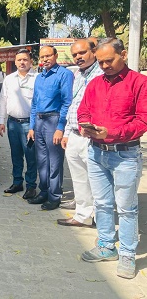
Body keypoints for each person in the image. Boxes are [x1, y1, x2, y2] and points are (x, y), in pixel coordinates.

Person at [77, 38, 147, 279]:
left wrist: (113, 134)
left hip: (125, 154)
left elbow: (143, 120)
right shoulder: (95, 84)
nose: (104, 66)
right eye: (101, 62)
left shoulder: (140, 83)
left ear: (124, 54)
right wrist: (84, 126)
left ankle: (127, 253)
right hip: (96, 153)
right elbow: (83, 110)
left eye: (109, 60)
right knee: (103, 203)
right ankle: (107, 246)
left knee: (127, 208)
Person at [57, 39, 102, 228]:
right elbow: (72, 105)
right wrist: (67, 132)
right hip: (74, 134)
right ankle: (82, 215)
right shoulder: (78, 74)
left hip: (92, 137)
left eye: (82, 53)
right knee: (79, 178)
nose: (78, 57)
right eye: (75, 54)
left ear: (94, 51)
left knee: (97, 180)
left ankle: (101, 219)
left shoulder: (102, 74)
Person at [27, 45, 73, 210]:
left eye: (48, 56)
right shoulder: (40, 77)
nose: (45, 59)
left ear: (56, 55)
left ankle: (54, 196)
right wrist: (32, 126)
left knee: (54, 161)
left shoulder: (64, 75)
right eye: (42, 57)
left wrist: (61, 127)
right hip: (39, 121)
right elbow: (34, 103)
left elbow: (67, 102)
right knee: (42, 160)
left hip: (54, 120)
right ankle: (44, 191)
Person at [0, 49, 37, 199]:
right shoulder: (9, 79)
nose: (22, 62)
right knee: (16, 155)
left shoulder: (36, 78)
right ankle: (17, 182)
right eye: (19, 60)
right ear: (15, 62)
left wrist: (34, 126)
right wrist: (1, 121)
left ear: (30, 61)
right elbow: (2, 100)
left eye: (25, 59)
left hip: (29, 125)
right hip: (12, 123)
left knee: (31, 156)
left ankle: (31, 185)